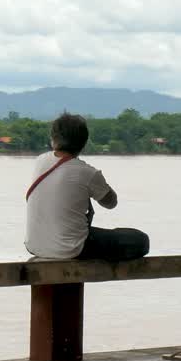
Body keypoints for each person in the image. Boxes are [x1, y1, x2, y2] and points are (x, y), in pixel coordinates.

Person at [24, 112, 149, 261]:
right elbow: (111, 203)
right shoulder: (87, 172)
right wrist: (98, 181)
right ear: (84, 143)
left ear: (53, 140)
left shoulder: (40, 160)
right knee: (140, 240)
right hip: (71, 248)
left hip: (34, 245)